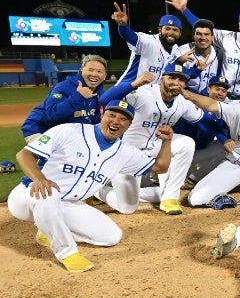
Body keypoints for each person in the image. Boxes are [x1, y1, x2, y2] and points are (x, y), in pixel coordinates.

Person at [7, 100, 173, 272]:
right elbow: (24, 154)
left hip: (69, 205)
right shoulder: (69, 131)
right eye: (112, 115)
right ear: (102, 115)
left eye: (123, 119)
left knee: (111, 236)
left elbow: (161, 167)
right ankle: (67, 253)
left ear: (129, 125)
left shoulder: (125, 152)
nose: (116, 121)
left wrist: (167, 142)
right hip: (30, 197)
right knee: (50, 194)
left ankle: (47, 230)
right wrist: (39, 178)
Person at [97, 64, 204, 215]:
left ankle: (169, 198)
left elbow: (204, 116)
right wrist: (133, 84)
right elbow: (104, 99)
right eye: (172, 77)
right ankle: (96, 189)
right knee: (127, 207)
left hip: (156, 148)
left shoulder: (183, 101)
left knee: (186, 143)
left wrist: (201, 99)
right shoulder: (143, 92)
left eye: (181, 80)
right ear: (162, 78)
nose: (176, 82)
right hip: (128, 153)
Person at [165, 0, 240, 100]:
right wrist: (184, 10)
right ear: (239, 25)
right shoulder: (228, 37)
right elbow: (204, 29)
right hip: (222, 95)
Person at [21, 54, 108, 143]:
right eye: (91, 70)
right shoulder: (64, 87)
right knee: (52, 156)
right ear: (81, 70)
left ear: (104, 76)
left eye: (99, 71)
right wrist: (78, 97)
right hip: (39, 129)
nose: (94, 74)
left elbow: (94, 120)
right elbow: (52, 115)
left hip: (65, 133)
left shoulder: (100, 94)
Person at [175, 74, 232, 189]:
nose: (220, 93)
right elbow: (207, 120)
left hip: (199, 152)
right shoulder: (193, 100)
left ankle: (194, 178)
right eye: (217, 89)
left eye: (223, 91)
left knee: (227, 147)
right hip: (179, 153)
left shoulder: (225, 109)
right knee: (169, 184)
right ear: (208, 89)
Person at [111, 2, 183, 86]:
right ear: (160, 30)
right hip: (129, 91)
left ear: (180, 33)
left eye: (175, 30)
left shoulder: (176, 49)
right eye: (167, 28)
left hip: (152, 95)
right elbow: (130, 36)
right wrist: (123, 26)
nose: (171, 32)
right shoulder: (148, 41)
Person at [174, 18, 220, 94]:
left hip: (208, 99)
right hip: (185, 97)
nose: (203, 38)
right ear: (193, 36)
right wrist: (179, 61)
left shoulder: (219, 54)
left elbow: (218, 81)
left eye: (206, 34)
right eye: (199, 34)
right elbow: (169, 74)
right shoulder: (182, 50)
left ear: (212, 37)